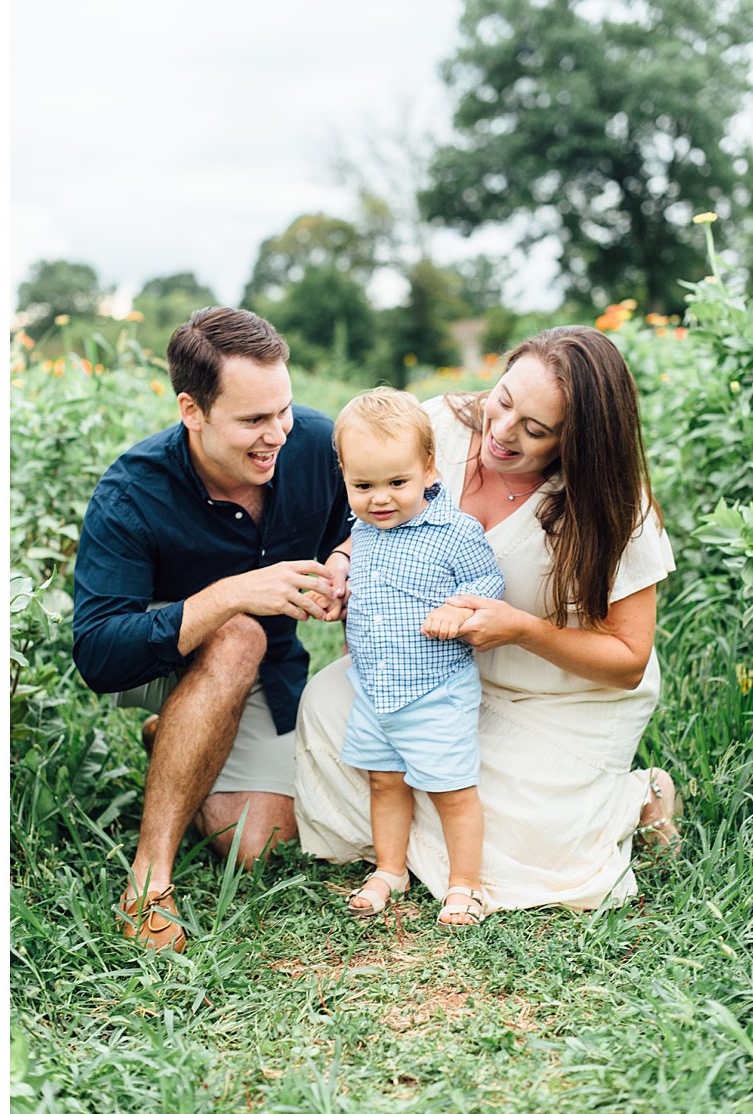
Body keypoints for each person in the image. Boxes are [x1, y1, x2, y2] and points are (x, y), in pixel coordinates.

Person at [296, 326, 680, 915]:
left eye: (535, 430)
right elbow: (376, 516)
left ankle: (638, 796)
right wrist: (345, 560)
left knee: (520, 836)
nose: (501, 433)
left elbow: (628, 661)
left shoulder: (615, 511)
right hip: (436, 675)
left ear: (580, 442)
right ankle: (403, 855)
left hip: (553, 700)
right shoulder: (433, 430)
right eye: (502, 401)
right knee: (328, 706)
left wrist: (522, 628)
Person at [73, 306, 351, 952]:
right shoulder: (131, 492)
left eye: (282, 409)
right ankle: (150, 878)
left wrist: (345, 558)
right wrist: (227, 597)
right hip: (152, 662)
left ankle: (177, 740)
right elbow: (97, 655)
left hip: (265, 672)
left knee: (255, 843)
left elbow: (371, 518)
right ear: (191, 411)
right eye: (253, 420)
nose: (277, 433)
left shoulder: (316, 445)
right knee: (239, 631)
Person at [330, 388, 504, 928]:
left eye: (396, 483)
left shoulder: (454, 532)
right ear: (345, 476)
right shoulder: (363, 532)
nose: (380, 499)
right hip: (376, 688)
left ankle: (465, 885)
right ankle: (390, 869)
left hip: (436, 690)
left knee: (452, 790)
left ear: (428, 468)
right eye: (363, 485)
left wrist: (458, 609)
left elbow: (489, 585)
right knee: (384, 781)